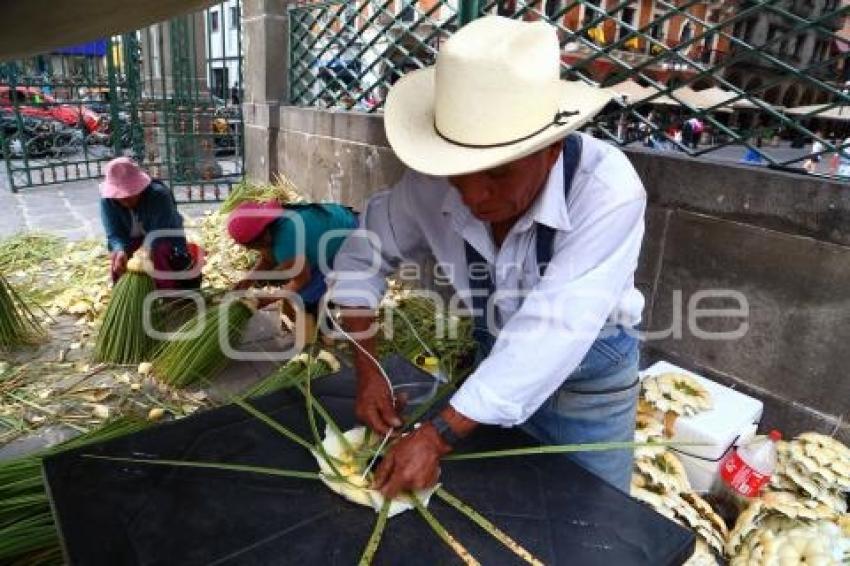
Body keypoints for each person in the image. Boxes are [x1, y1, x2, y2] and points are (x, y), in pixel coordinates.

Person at [328, 16, 646, 497]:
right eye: (461, 173)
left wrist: (437, 435)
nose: (475, 195)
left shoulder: (607, 192)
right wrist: (367, 367)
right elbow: (363, 256)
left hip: (588, 395)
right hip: (490, 376)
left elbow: (552, 330)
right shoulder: (431, 180)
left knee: (592, 528)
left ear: (552, 148)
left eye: (497, 174)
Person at [227, 200, 358, 338]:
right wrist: (248, 281)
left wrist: (268, 299)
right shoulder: (270, 226)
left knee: (307, 296)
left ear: (262, 237)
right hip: (336, 222)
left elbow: (302, 279)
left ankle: (323, 332)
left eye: (251, 246)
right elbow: (268, 259)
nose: (248, 249)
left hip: (350, 237)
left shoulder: (286, 242)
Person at [99, 157, 201, 288]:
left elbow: (160, 234)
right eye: (120, 197)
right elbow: (114, 235)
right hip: (132, 243)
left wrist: (144, 253)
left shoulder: (158, 195)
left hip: (162, 242)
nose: (125, 200)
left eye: (130, 194)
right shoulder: (108, 201)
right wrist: (120, 250)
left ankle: (168, 294)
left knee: (159, 252)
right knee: (117, 258)